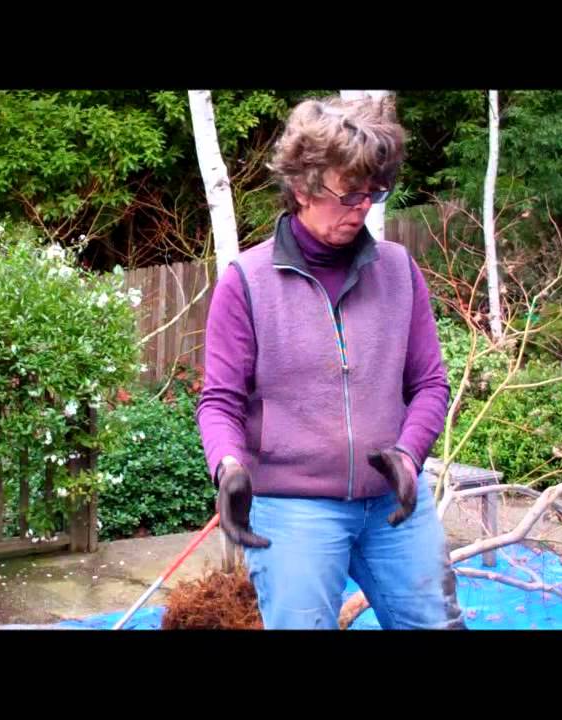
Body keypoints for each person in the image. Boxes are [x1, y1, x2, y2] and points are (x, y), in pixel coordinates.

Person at [196, 94, 465, 629]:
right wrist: (228, 466)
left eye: (374, 193)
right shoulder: (247, 282)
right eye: (348, 194)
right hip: (295, 509)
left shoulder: (398, 271)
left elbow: (431, 384)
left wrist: (410, 456)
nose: (362, 208)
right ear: (303, 186)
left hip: (395, 506)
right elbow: (220, 402)